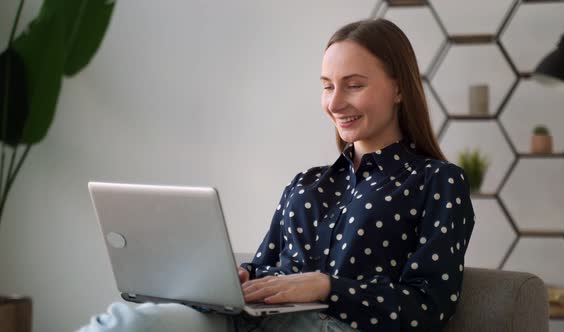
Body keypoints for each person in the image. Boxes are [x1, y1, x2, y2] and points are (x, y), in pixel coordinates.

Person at [78, 18, 475, 332]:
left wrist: (327, 286)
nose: (335, 103)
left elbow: (429, 304)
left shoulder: (436, 182)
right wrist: (238, 279)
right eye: (327, 86)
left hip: (330, 327)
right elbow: (267, 265)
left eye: (353, 86)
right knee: (130, 322)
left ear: (399, 89)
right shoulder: (306, 184)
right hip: (251, 321)